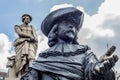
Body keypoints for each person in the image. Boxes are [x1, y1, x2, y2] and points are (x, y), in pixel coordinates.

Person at [21, 7, 119, 80]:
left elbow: (94, 70)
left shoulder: (85, 52)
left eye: (74, 25)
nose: (72, 26)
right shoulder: (43, 57)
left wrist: (102, 69)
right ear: (55, 29)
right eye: (67, 23)